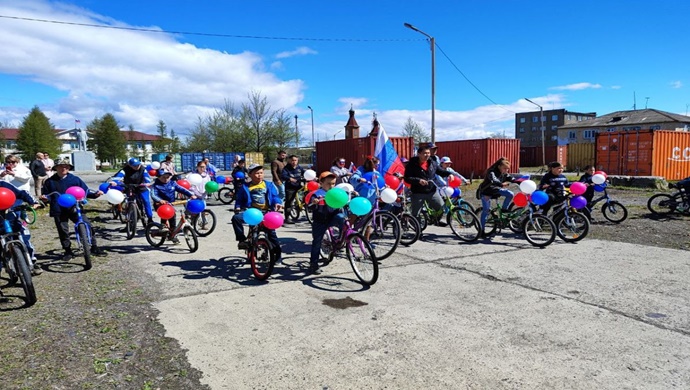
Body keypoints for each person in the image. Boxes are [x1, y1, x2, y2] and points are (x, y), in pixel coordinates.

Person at [41, 159, 105, 261]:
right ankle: (67, 250)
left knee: (86, 225)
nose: (63, 168)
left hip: (75, 207)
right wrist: (45, 198)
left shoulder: (75, 179)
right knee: (63, 230)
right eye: (61, 166)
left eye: (66, 166)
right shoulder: (50, 181)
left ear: (69, 168)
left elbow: (85, 192)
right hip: (59, 209)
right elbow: (47, 195)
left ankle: (94, 246)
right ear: (56, 168)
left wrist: (95, 194)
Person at [232, 164, 283, 261]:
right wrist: (237, 207)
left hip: (266, 213)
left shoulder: (269, 185)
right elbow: (239, 200)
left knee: (272, 235)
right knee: (236, 218)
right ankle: (242, 240)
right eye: (256, 173)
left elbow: (275, 196)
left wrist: (277, 203)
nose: (259, 175)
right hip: (252, 213)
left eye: (261, 173)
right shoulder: (245, 187)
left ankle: (277, 255)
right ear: (250, 175)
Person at [0, 180, 42, 275]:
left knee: (23, 238)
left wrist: (33, 202)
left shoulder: (3, 184)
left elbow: (22, 193)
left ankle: (31, 262)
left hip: (11, 218)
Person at [309, 171, 346, 275]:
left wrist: (352, 194)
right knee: (317, 242)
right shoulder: (318, 193)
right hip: (320, 221)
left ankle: (342, 238)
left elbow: (344, 197)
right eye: (328, 183)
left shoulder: (336, 192)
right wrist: (315, 201)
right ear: (321, 183)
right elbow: (311, 203)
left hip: (333, 217)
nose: (331, 186)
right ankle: (313, 263)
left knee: (342, 217)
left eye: (333, 183)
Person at [403, 146, 451, 224]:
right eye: (425, 153)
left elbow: (440, 171)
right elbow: (407, 178)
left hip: (431, 191)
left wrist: (449, 174)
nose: (427, 155)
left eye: (428, 153)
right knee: (416, 214)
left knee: (441, 208)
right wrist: (418, 180)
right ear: (419, 154)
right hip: (418, 192)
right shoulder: (411, 165)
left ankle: (435, 220)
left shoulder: (432, 163)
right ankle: (418, 231)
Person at [150, 168, 197, 244]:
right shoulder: (156, 185)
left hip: (170, 204)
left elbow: (182, 189)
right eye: (163, 177)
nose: (166, 179)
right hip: (160, 205)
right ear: (158, 177)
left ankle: (172, 234)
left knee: (172, 218)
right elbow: (153, 195)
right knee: (166, 214)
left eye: (167, 177)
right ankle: (163, 226)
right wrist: (159, 200)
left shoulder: (172, 183)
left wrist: (191, 195)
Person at [477, 158, 516, 237]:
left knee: (510, 194)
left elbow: (510, 178)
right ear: (499, 166)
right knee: (486, 210)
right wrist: (501, 184)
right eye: (505, 168)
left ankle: (504, 209)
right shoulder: (491, 172)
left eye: (507, 169)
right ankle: (481, 230)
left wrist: (519, 180)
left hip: (495, 190)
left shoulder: (504, 173)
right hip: (486, 192)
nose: (506, 170)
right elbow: (494, 180)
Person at [109, 158, 154, 224]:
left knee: (146, 201)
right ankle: (130, 221)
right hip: (129, 187)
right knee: (129, 202)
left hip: (141, 187)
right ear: (130, 165)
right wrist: (114, 182)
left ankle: (150, 218)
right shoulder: (125, 170)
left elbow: (146, 177)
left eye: (138, 165)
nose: (137, 167)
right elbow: (118, 176)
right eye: (134, 166)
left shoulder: (143, 169)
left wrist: (147, 182)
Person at [281, 154, 304, 223]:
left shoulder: (299, 168)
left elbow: (305, 173)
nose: (294, 162)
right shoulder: (286, 168)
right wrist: (289, 178)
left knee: (307, 194)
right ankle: (287, 217)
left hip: (298, 186)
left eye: (295, 160)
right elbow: (283, 176)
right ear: (289, 161)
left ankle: (305, 208)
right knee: (289, 202)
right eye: (292, 160)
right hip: (290, 187)